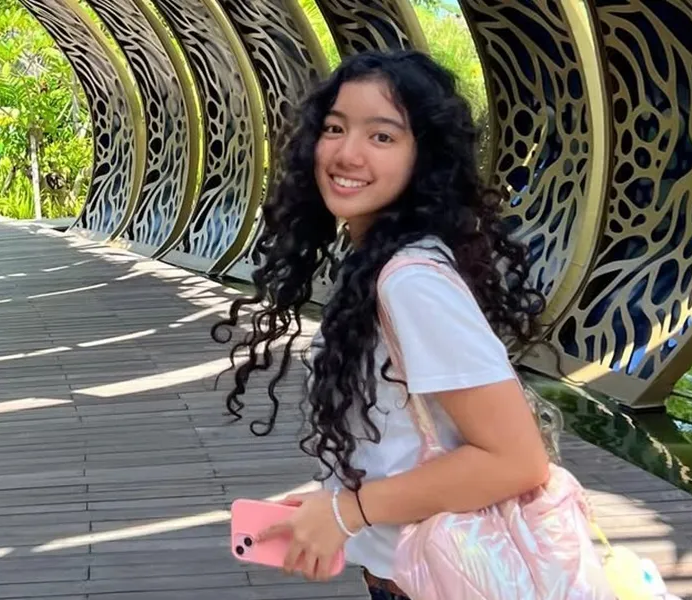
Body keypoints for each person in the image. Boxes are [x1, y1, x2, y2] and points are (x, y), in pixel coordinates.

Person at [210, 50, 553, 599]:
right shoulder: (386, 264)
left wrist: (350, 512)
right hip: (411, 573)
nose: (347, 153)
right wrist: (334, 512)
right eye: (335, 128)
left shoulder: (410, 282)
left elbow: (516, 459)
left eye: (383, 137)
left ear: (425, 158)